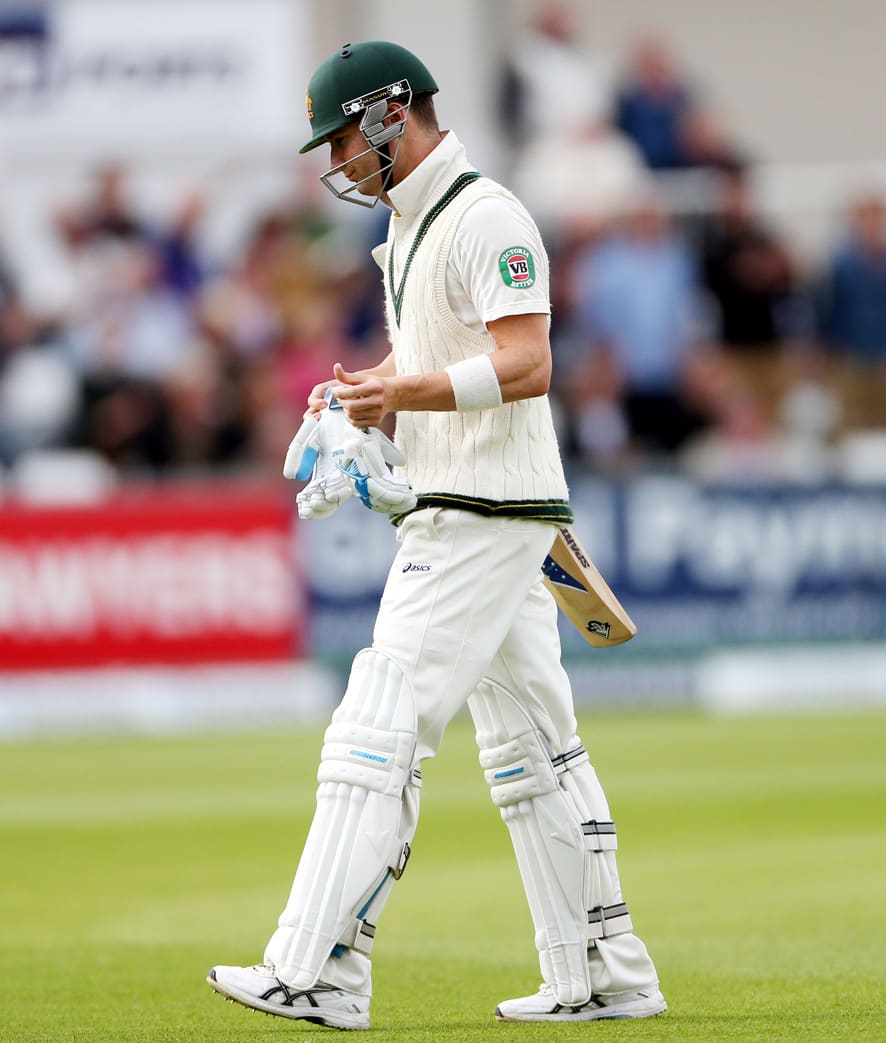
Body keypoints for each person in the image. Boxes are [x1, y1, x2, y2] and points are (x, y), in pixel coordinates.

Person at [207, 40, 666, 1029]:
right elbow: (432, 360)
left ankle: (318, 969)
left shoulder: (486, 213)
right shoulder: (411, 228)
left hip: (482, 508)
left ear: (385, 116)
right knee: (531, 753)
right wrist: (362, 401)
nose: (336, 159)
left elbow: (528, 359)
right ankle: (602, 971)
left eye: (341, 136)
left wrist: (403, 390)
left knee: (376, 725)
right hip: (477, 502)